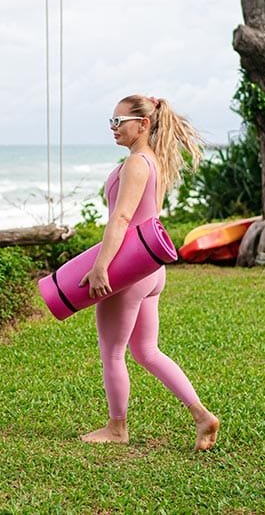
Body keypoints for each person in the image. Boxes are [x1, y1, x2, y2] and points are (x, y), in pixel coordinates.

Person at [79, 94, 220, 451]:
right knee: (146, 351)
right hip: (151, 270)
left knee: (113, 352)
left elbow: (122, 219)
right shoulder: (153, 161)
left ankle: (116, 428)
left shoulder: (136, 164)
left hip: (128, 271)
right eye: (110, 122)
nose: (113, 128)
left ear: (142, 124)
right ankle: (203, 416)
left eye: (119, 121)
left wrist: (101, 266)